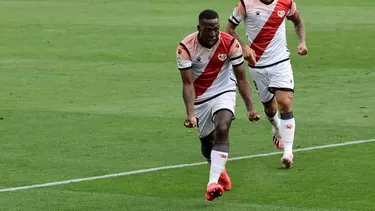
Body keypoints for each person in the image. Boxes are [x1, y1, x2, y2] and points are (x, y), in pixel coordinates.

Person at [176, 9, 260, 201]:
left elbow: (241, 79)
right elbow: (187, 84)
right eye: (207, 29)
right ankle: (219, 170)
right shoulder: (185, 47)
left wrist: (250, 108)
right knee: (207, 142)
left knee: (223, 127)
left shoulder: (230, 43)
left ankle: (212, 183)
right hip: (200, 98)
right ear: (199, 28)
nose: (213, 33)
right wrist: (190, 114)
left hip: (224, 90)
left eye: (215, 28)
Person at [225, 0, 308, 168]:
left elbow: (298, 21)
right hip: (257, 65)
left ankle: (288, 152)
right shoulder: (245, 4)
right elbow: (228, 30)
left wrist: (302, 42)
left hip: (280, 62)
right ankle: (276, 127)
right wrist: (244, 46)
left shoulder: (286, 3)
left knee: (285, 102)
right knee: (270, 109)